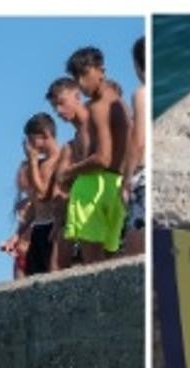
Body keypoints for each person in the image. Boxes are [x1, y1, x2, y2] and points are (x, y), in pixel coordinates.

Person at [59, 48, 130, 264]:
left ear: (101, 70)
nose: (80, 83)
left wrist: (69, 172)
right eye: (75, 78)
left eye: (84, 75)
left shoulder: (99, 106)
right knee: (114, 258)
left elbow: (102, 158)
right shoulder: (118, 101)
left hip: (97, 187)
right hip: (119, 183)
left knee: (92, 262)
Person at [4, 113, 66, 276]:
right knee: (32, 279)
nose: (30, 146)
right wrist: (17, 235)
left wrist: (32, 160)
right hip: (38, 227)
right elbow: (34, 204)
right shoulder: (40, 163)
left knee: (53, 277)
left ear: (45, 135)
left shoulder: (60, 159)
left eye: (32, 141)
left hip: (54, 225)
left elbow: (43, 194)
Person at [46, 77, 91, 270]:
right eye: (54, 106)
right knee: (56, 267)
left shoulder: (97, 125)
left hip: (103, 205)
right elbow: (59, 186)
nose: (58, 111)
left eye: (62, 103)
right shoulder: (70, 146)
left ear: (77, 95)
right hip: (76, 211)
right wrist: (58, 220)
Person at [121, 37, 148, 257]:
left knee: (135, 253)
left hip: (145, 179)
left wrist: (127, 179)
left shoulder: (141, 93)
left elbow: (138, 140)